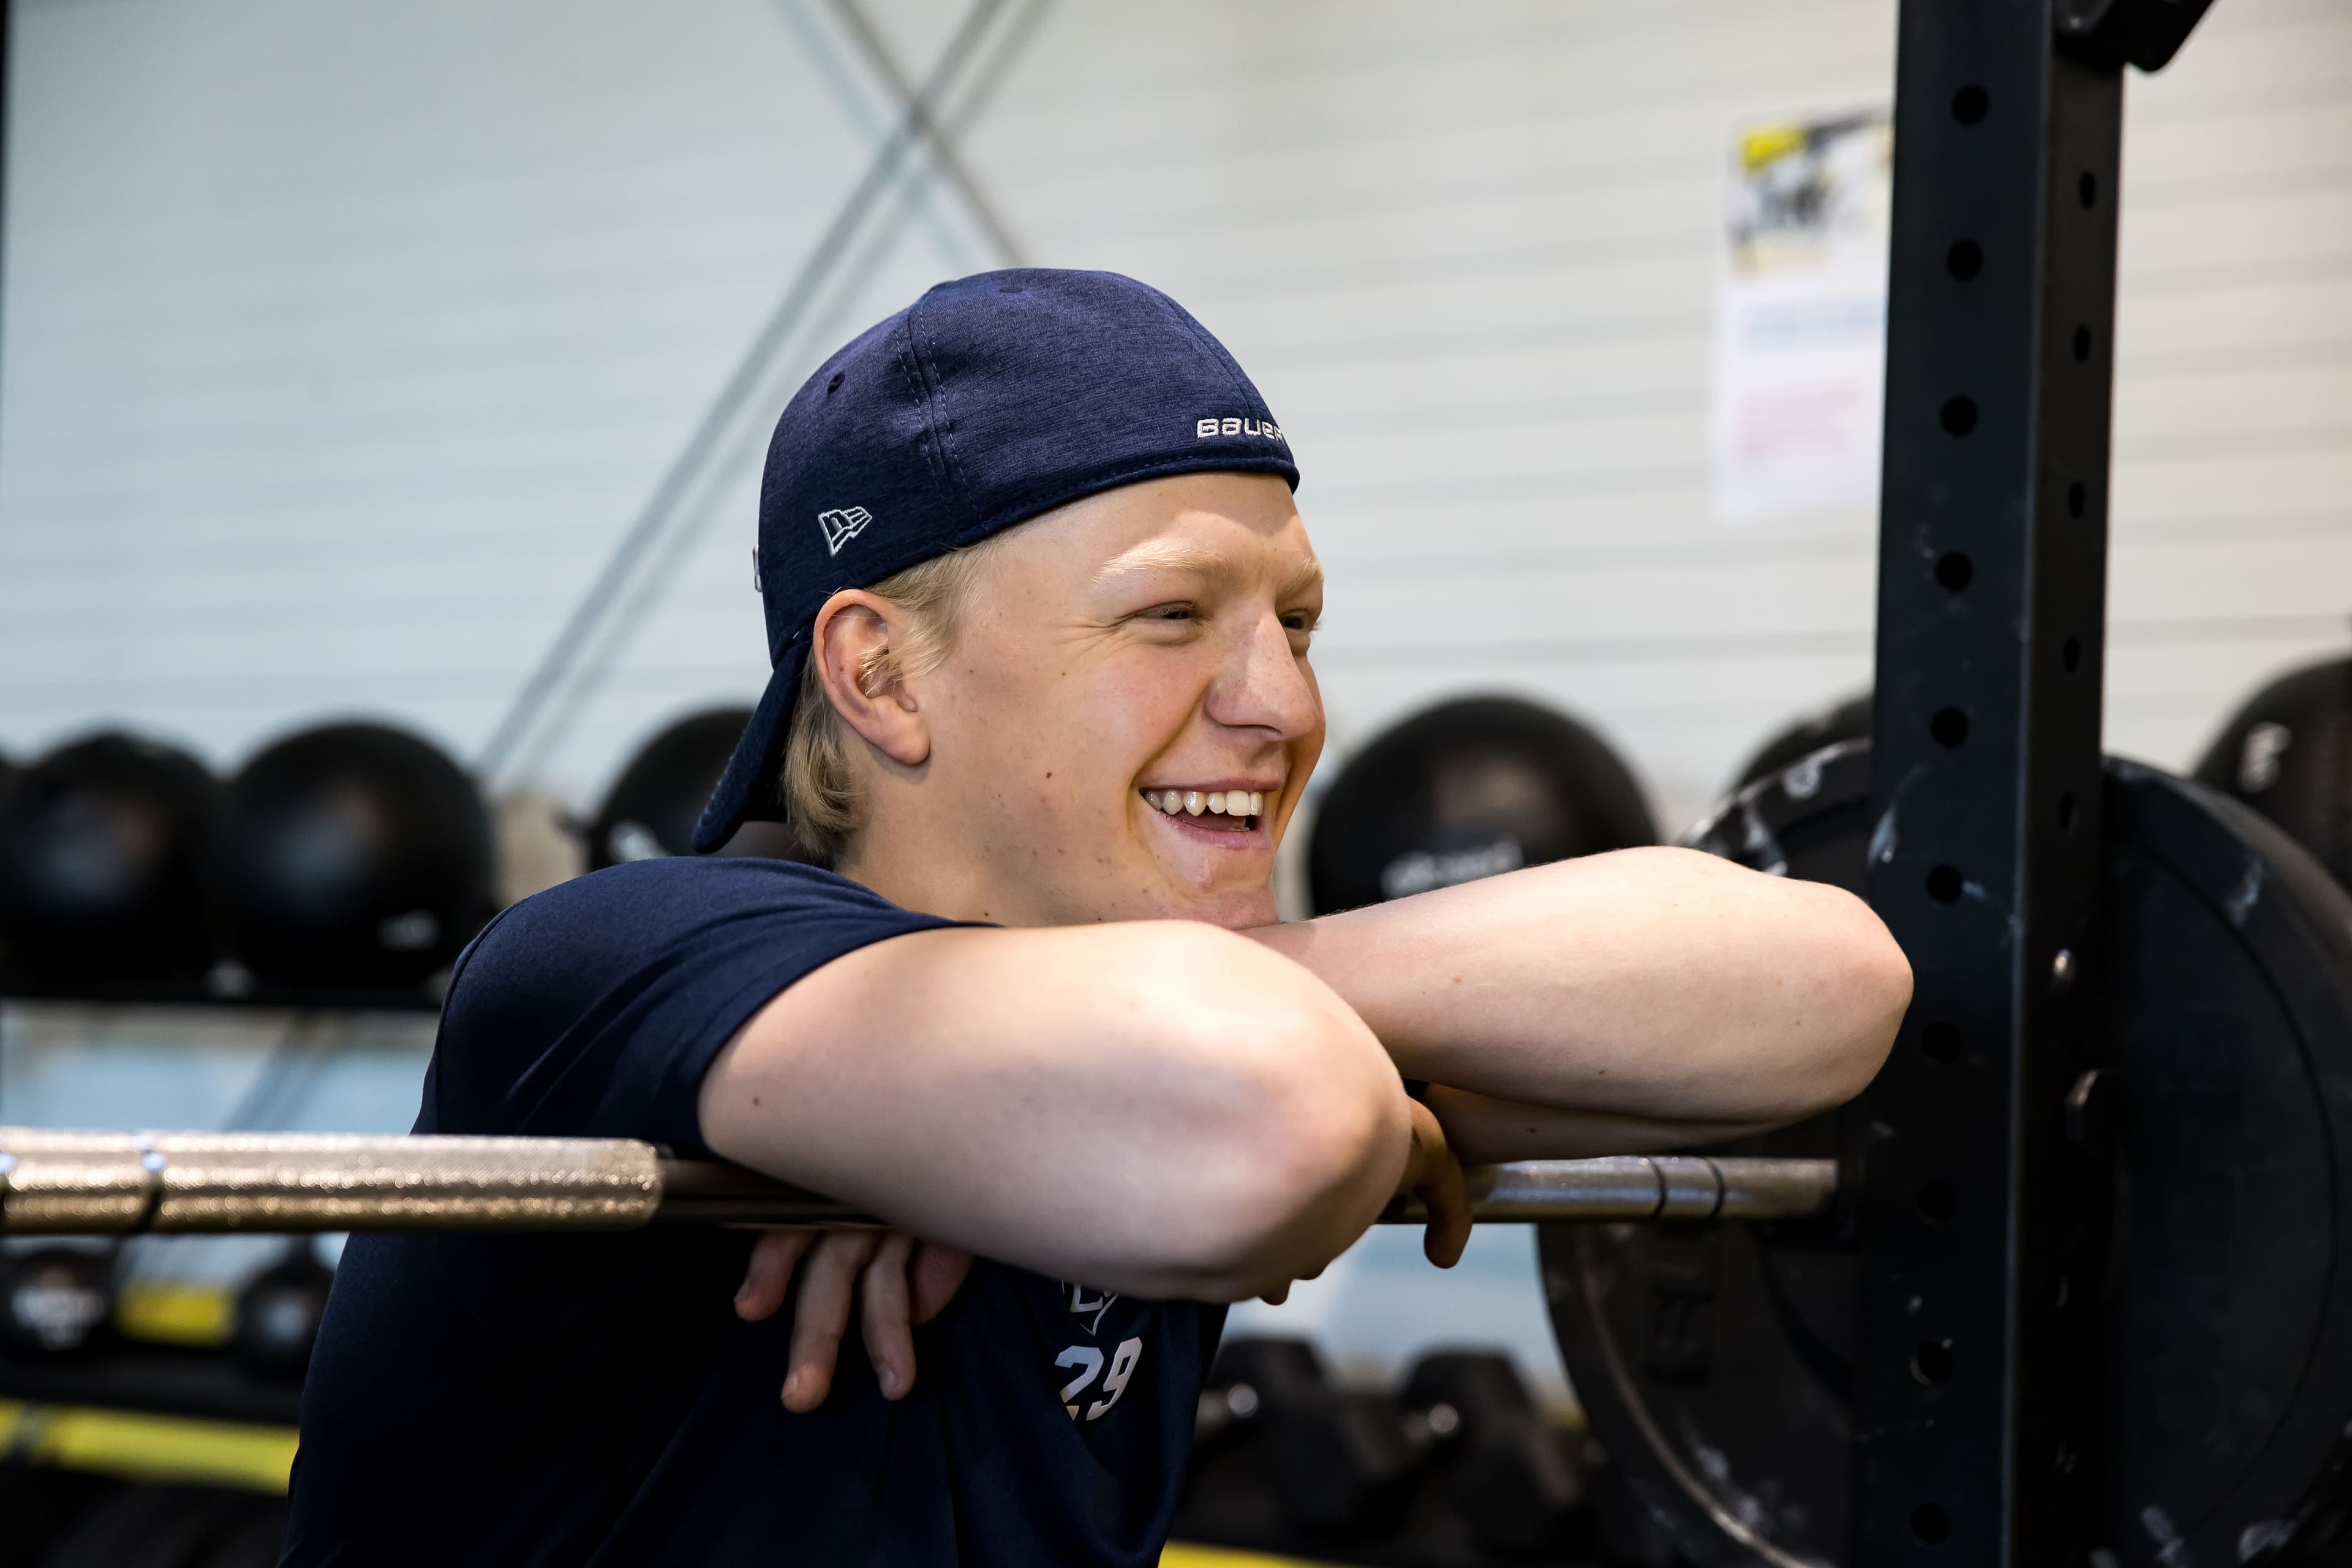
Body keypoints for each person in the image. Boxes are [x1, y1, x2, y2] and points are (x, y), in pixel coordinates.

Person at [283, 270, 1910, 1566]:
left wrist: (1105, 1021)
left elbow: (1829, 985)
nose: (1281, 703)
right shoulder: (614, 966)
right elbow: (1269, 1124)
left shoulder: (1146, 1019)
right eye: (1173, 616)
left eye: (1298, 619)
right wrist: (1324, 1075)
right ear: (880, 674)